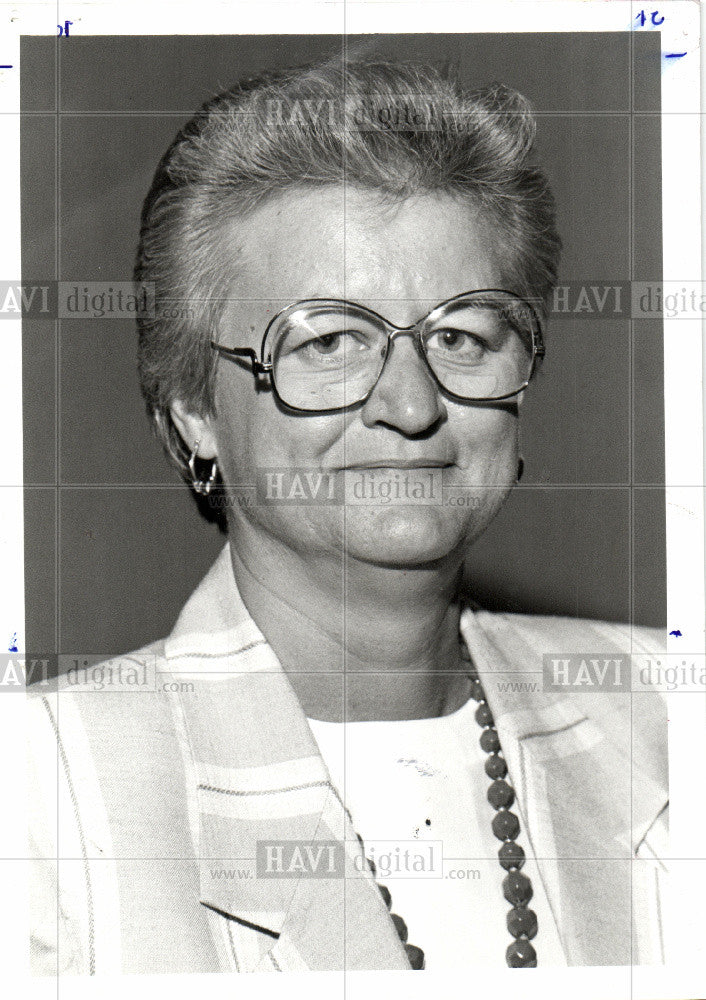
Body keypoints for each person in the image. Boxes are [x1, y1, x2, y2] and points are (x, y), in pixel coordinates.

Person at [27, 56, 667, 975]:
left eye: (461, 336)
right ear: (195, 412)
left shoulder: (662, 707)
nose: (410, 406)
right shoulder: (43, 797)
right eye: (327, 341)